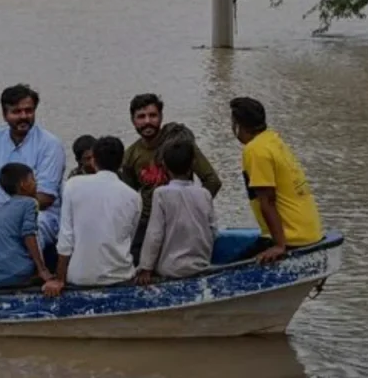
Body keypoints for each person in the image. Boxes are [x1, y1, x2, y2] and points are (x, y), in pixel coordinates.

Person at [121, 94, 222, 263]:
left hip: (182, 218)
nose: (147, 121)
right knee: (135, 262)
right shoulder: (130, 155)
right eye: (141, 117)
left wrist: (192, 207)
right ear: (133, 121)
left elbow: (212, 181)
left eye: (152, 115)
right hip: (148, 221)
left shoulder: (179, 144)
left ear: (161, 117)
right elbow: (128, 198)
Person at [0, 84, 66, 255]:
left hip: (37, 213)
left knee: (28, 227)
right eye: (16, 112)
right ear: (5, 115)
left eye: (29, 111)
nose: (24, 117)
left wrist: (8, 216)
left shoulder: (50, 144)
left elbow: (46, 197)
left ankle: (28, 274)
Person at [44, 137, 141, 297]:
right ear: (121, 162)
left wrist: (59, 279)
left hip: (81, 278)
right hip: (120, 276)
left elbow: (65, 239)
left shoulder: (73, 185)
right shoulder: (133, 197)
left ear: (94, 160)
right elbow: (128, 237)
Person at [231, 97, 323, 263]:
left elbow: (267, 200)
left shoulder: (255, 150)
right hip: (311, 233)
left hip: (291, 238)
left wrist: (279, 245)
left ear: (238, 125)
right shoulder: (273, 139)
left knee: (230, 266)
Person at [136, 140, 218, 284]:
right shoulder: (204, 193)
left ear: (165, 166)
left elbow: (155, 234)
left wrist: (145, 268)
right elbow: (213, 230)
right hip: (201, 265)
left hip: (171, 269)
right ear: (192, 164)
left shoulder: (161, 193)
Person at [0, 163, 52, 288]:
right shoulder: (30, 203)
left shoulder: (0, 210)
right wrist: (42, 269)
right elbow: (29, 235)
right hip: (17, 273)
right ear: (23, 185)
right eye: (32, 179)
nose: (36, 183)